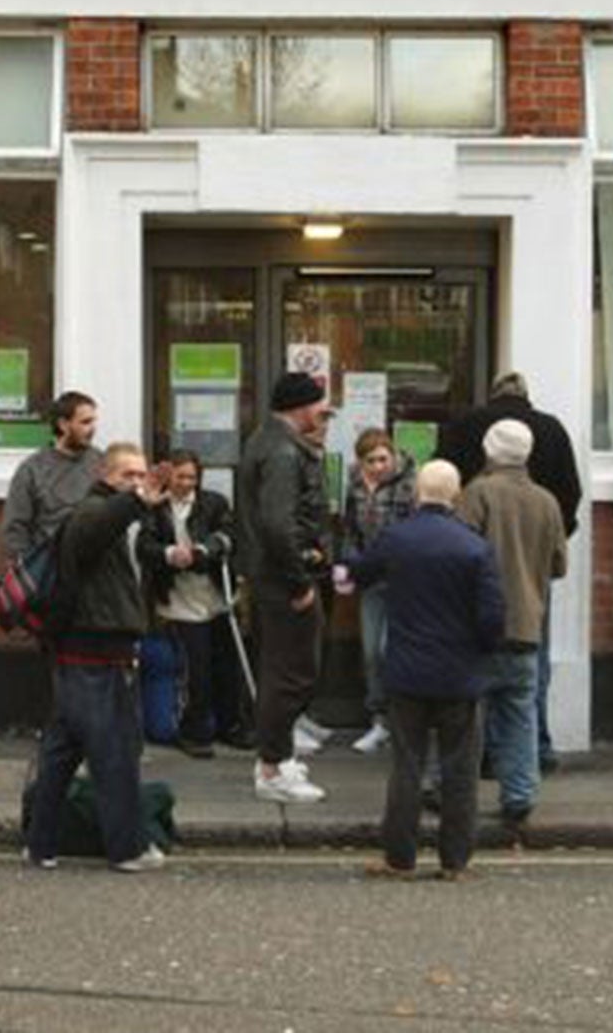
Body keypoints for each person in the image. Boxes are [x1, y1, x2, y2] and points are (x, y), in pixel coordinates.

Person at [23, 441, 189, 872]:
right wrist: (136, 499)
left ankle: (40, 845)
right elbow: (95, 530)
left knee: (61, 752)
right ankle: (127, 848)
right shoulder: (90, 512)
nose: (137, 482)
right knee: (115, 753)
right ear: (105, 476)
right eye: (127, 475)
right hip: (95, 654)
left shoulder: (127, 520)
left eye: (141, 474)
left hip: (88, 653)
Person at [345, 459, 503, 881]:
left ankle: (399, 858)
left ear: (417, 493)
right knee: (460, 770)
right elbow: (492, 619)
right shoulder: (475, 547)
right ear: (456, 496)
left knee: (407, 766)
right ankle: (455, 861)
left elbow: (359, 571)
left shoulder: (398, 538)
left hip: (407, 671)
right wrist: (481, 653)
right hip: (459, 673)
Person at [438, 371, 582, 769]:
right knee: (531, 664)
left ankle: (484, 751)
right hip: (534, 572)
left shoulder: (466, 430)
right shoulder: (552, 431)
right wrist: (545, 544)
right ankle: (535, 750)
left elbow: (441, 488)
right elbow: (571, 497)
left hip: (476, 574)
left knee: (477, 667)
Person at [456, 420, 567, 824]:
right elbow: (558, 565)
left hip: (481, 626)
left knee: (466, 715)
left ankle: (452, 790)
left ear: (489, 450)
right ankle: (519, 795)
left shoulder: (477, 494)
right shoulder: (547, 501)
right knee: (521, 713)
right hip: (527, 625)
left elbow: (459, 557)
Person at [238, 371, 333, 804]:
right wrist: (299, 581)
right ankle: (273, 769)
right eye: (318, 404)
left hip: (272, 577)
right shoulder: (282, 452)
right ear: (300, 406)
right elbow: (278, 524)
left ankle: (279, 756)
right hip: (283, 582)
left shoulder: (268, 441)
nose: (323, 412)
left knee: (284, 671)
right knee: (292, 674)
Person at [151, 449, 250, 758]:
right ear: (168, 477)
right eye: (180, 476)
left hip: (215, 595)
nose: (186, 483)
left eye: (192, 477)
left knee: (226, 664)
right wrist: (169, 554)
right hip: (179, 599)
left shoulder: (213, 503)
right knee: (196, 668)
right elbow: (144, 545)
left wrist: (203, 550)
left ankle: (230, 725)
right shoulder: (155, 508)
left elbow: (228, 535)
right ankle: (194, 731)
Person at [339, 428, 416, 754]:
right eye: (370, 460)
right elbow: (349, 529)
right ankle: (378, 720)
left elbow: (413, 531)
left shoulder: (410, 483)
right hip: (370, 578)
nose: (378, 466)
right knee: (371, 651)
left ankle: (400, 718)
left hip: (402, 580)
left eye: (383, 458)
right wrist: (351, 565)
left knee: (390, 649)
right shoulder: (355, 485)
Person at [2, 390, 104, 562]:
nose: (92, 429)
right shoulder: (33, 469)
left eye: (94, 422)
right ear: (64, 424)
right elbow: (15, 527)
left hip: (96, 569)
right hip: (51, 569)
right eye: (85, 422)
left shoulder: (101, 462)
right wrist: (30, 568)